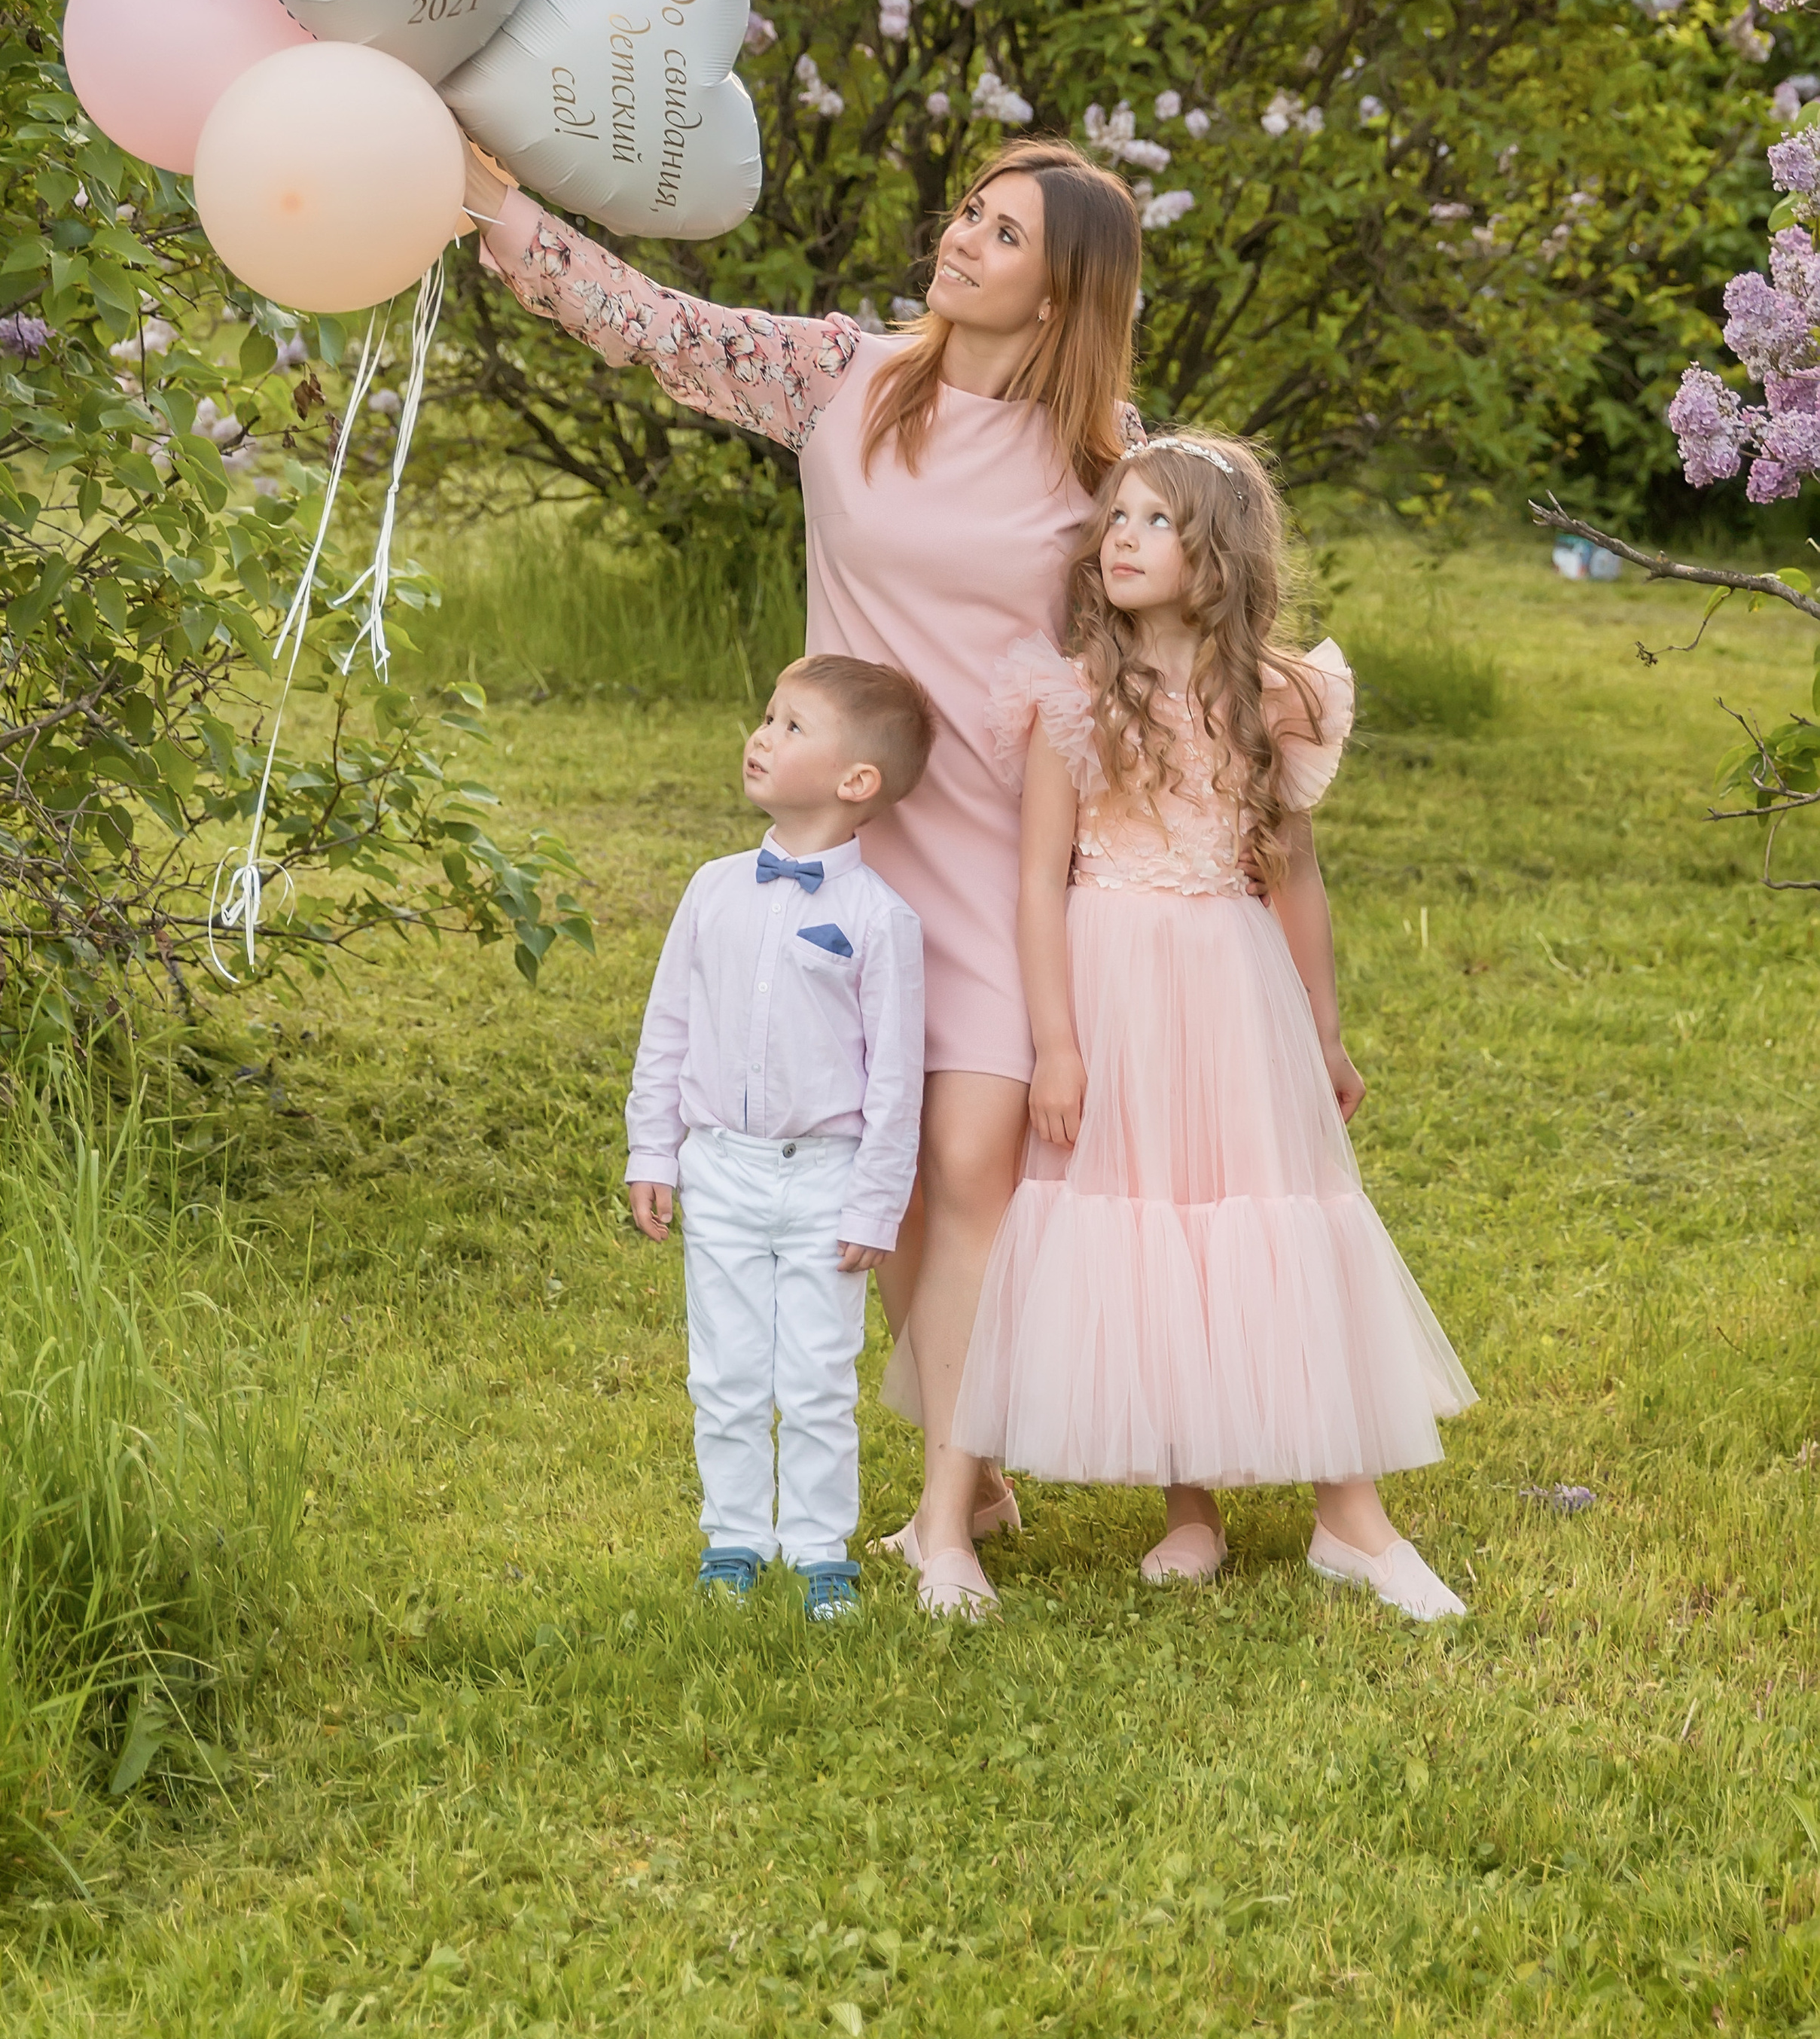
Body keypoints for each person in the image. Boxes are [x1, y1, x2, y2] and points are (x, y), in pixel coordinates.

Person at [465, 138, 1143, 1617]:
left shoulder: (1102, 460)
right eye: (967, 210)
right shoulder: (843, 376)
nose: (961, 238)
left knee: (965, 1162)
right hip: (853, 842)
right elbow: (657, 327)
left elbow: (1163, 625)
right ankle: (980, 1464)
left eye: (1004, 232)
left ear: (1064, 292)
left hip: (1009, 854)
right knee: (877, 1183)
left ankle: (942, 1526)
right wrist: (497, 211)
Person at [953, 432, 1477, 1621]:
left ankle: (1353, 1517)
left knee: (1273, 1216)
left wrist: (1327, 1034)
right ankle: (1190, 1509)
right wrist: (1059, 1044)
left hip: (1233, 985)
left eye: (1152, 523)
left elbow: (1293, 875)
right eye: (1117, 520)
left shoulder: (1278, 696)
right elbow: (1039, 880)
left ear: (1217, 555)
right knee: (1152, 1220)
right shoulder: (1071, 694)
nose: (1121, 540)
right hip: (1114, 979)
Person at [625, 653, 933, 1620]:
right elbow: (666, 1025)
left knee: (815, 1375)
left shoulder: (879, 920)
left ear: (857, 783)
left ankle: (816, 1545)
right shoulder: (712, 889)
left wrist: (875, 1203)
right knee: (722, 1367)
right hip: (718, 1164)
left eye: (792, 726)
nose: (762, 735)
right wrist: (653, 1150)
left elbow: (894, 1081)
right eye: (767, 716)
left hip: (825, 1180)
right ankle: (733, 1537)